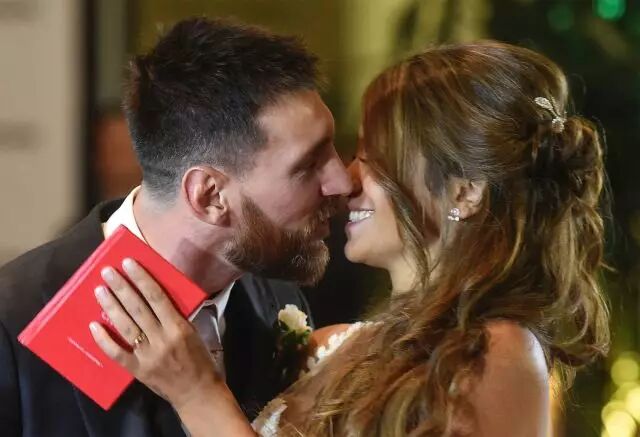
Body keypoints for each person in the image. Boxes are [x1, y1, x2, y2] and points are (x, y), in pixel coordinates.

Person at [94, 40, 610, 436]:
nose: (347, 179)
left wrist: (198, 396)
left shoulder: (498, 354)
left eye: (374, 157)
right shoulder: (324, 347)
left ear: (465, 192)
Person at [0, 18, 353, 437]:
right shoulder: (12, 320)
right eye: (309, 164)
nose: (342, 181)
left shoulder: (278, 298)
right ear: (209, 196)